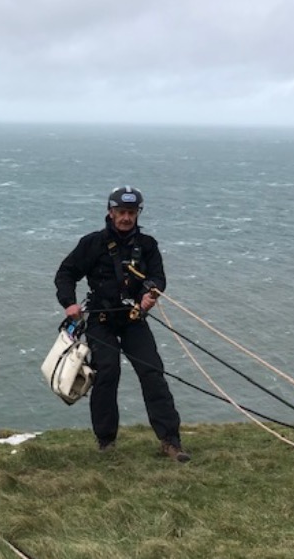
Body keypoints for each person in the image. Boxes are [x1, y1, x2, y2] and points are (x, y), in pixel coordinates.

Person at [54, 186, 190, 462]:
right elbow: (65, 273)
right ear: (110, 212)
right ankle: (106, 442)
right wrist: (69, 304)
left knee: (153, 373)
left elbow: (158, 277)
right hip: (101, 320)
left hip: (133, 319)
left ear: (138, 213)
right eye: (121, 212)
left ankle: (170, 442)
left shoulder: (148, 245)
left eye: (131, 212)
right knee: (107, 372)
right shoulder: (92, 244)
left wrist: (151, 293)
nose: (126, 218)